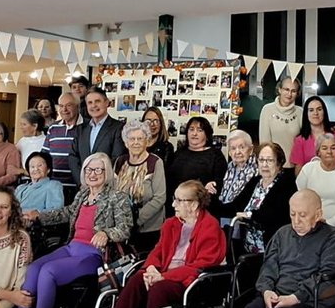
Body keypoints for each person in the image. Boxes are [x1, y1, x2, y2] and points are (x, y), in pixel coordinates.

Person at [19, 153, 133, 308]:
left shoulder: (117, 197)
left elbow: (125, 228)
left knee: (48, 271)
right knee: (34, 267)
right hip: (72, 247)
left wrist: (107, 233)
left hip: (95, 254)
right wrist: (39, 215)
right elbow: (67, 213)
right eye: (88, 169)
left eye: (97, 170)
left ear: (107, 172)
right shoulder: (83, 194)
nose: (92, 174)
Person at [105, 181, 226, 308]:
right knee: (136, 280)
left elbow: (200, 266)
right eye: (174, 198)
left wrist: (163, 277)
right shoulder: (171, 223)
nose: (173, 204)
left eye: (179, 200)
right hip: (162, 275)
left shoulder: (210, 227)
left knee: (159, 288)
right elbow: (157, 251)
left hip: (189, 283)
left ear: (194, 205)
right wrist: (151, 268)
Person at [213, 142, 298, 251]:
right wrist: (210, 205)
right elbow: (236, 206)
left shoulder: (287, 184)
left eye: (270, 160)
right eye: (261, 160)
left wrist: (250, 215)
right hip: (248, 247)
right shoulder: (255, 181)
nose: (264, 164)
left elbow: (275, 215)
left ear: (279, 163)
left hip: (273, 247)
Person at [114, 120, 168, 251]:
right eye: (132, 139)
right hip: (122, 227)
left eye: (140, 138)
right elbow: (113, 193)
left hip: (149, 229)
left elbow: (160, 198)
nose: (136, 142)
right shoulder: (120, 161)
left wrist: (134, 220)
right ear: (126, 143)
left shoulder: (155, 162)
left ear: (147, 141)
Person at [165, 117, 226, 217]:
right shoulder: (178, 154)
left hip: (204, 211)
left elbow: (218, 183)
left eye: (199, 130)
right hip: (176, 209)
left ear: (207, 135)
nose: (194, 133)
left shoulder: (216, 155)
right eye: (191, 129)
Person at [70, 86, 127, 182]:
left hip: (106, 186)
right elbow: (73, 157)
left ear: (106, 103)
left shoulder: (118, 128)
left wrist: (97, 181)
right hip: (83, 187)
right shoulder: (80, 129)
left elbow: (117, 159)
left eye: (97, 101)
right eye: (90, 103)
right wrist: (82, 181)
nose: (93, 106)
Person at [206, 130, 258, 221]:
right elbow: (221, 190)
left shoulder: (256, 170)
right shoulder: (230, 167)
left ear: (251, 150)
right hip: (224, 217)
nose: (237, 152)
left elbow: (241, 204)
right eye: (233, 148)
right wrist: (210, 186)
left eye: (242, 147)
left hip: (240, 220)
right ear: (229, 152)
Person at [290, 96, 335, 174]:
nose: (315, 113)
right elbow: (299, 172)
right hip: (309, 184)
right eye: (311, 110)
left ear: (324, 112)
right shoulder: (300, 140)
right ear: (306, 114)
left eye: (319, 109)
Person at [43, 93, 81, 199]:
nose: (64, 109)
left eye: (69, 105)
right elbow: (44, 156)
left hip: (77, 187)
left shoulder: (86, 127)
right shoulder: (53, 128)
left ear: (77, 107)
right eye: (61, 106)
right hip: (53, 187)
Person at [256, 77, 301, 166]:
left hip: (296, 166)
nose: (289, 94)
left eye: (293, 91)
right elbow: (264, 143)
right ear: (279, 90)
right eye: (286, 89)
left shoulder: (301, 112)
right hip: (274, 166)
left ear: (297, 93)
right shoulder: (267, 110)